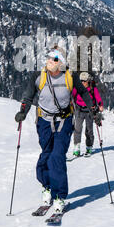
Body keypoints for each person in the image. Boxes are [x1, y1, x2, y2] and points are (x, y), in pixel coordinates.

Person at [15, 46, 94, 213]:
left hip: (63, 121)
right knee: (46, 155)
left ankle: (59, 197)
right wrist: (23, 111)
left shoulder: (70, 77)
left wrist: (93, 110)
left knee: (56, 156)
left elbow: (84, 94)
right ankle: (47, 187)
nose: (50, 60)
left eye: (55, 58)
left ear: (62, 63)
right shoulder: (38, 76)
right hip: (43, 121)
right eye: (49, 57)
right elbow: (28, 96)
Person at [72, 72, 104, 157]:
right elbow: (72, 95)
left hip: (90, 110)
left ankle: (89, 147)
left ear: (88, 81)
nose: (82, 83)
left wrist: (100, 105)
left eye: (84, 81)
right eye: (81, 81)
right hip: (79, 109)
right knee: (77, 129)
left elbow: (98, 97)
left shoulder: (93, 88)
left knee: (89, 130)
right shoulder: (78, 87)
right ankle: (77, 148)